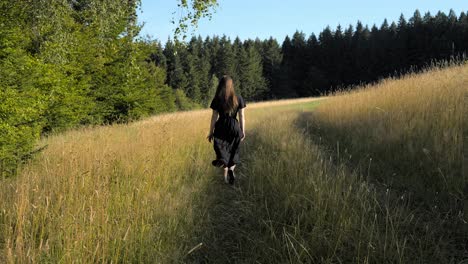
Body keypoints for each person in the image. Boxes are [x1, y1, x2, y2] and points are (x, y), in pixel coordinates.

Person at [207, 75, 246, 185]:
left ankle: (224, 179)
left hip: (221, 127)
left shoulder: (217, 99)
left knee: (222, 155)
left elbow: (214, 117)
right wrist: (243, 131)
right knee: (233, 152)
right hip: (234, 127)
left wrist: (211, 132)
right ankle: (231, 171)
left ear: (220, 85)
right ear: (231, 85)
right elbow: (242, 116)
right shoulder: (238, 98)